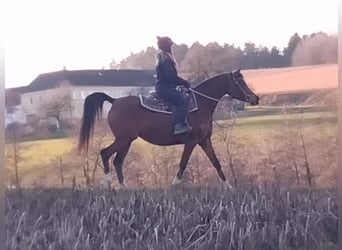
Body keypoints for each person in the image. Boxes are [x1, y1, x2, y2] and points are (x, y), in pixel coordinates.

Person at [155, 36, 192, 135]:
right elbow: (171, 77)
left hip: (165, 87)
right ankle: (178, 125)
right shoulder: (166, 60)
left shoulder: (163, 59)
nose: (172, 48)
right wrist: (185, 83)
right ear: (167, 47)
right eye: (171, 46)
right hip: (165, 88)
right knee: (182, 101)